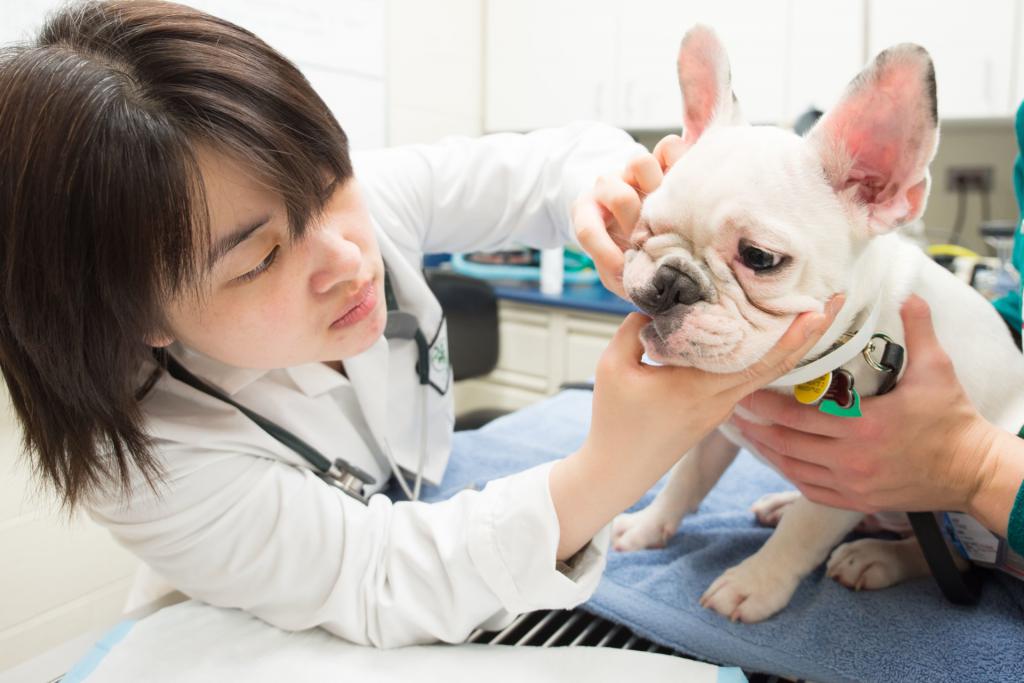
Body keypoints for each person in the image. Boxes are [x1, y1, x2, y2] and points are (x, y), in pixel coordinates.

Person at [0, 0, 839, 648]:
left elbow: (548, 164)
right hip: (257, 640)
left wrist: (606, 191)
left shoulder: (358, 205)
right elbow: (378, 578)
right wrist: (616, 465)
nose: (348, 257)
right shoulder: (149, 463)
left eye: (330, 179)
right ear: (139, 315)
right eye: (258, 259)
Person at [579, 104, 1024, 562]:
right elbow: (724, 413)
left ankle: (926, 557)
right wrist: (664, 513)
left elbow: (865, 449)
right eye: (652, 230)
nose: (674, 287)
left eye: (758, 258)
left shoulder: (872, 314)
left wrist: (773, 572)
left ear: (878, 189)